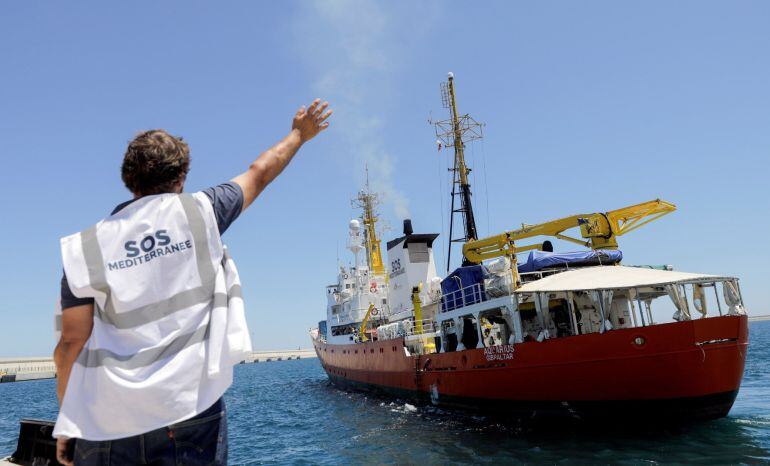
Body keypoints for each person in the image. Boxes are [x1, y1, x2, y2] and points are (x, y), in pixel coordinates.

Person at [54, 99, 332, 465]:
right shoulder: (202, 212)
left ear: (128, 179)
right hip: (189, 411)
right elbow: (260, 172)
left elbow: (71, 344)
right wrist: (299, 134)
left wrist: (69, 421)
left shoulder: (84, 249)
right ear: (181, 178)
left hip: (105, 422)